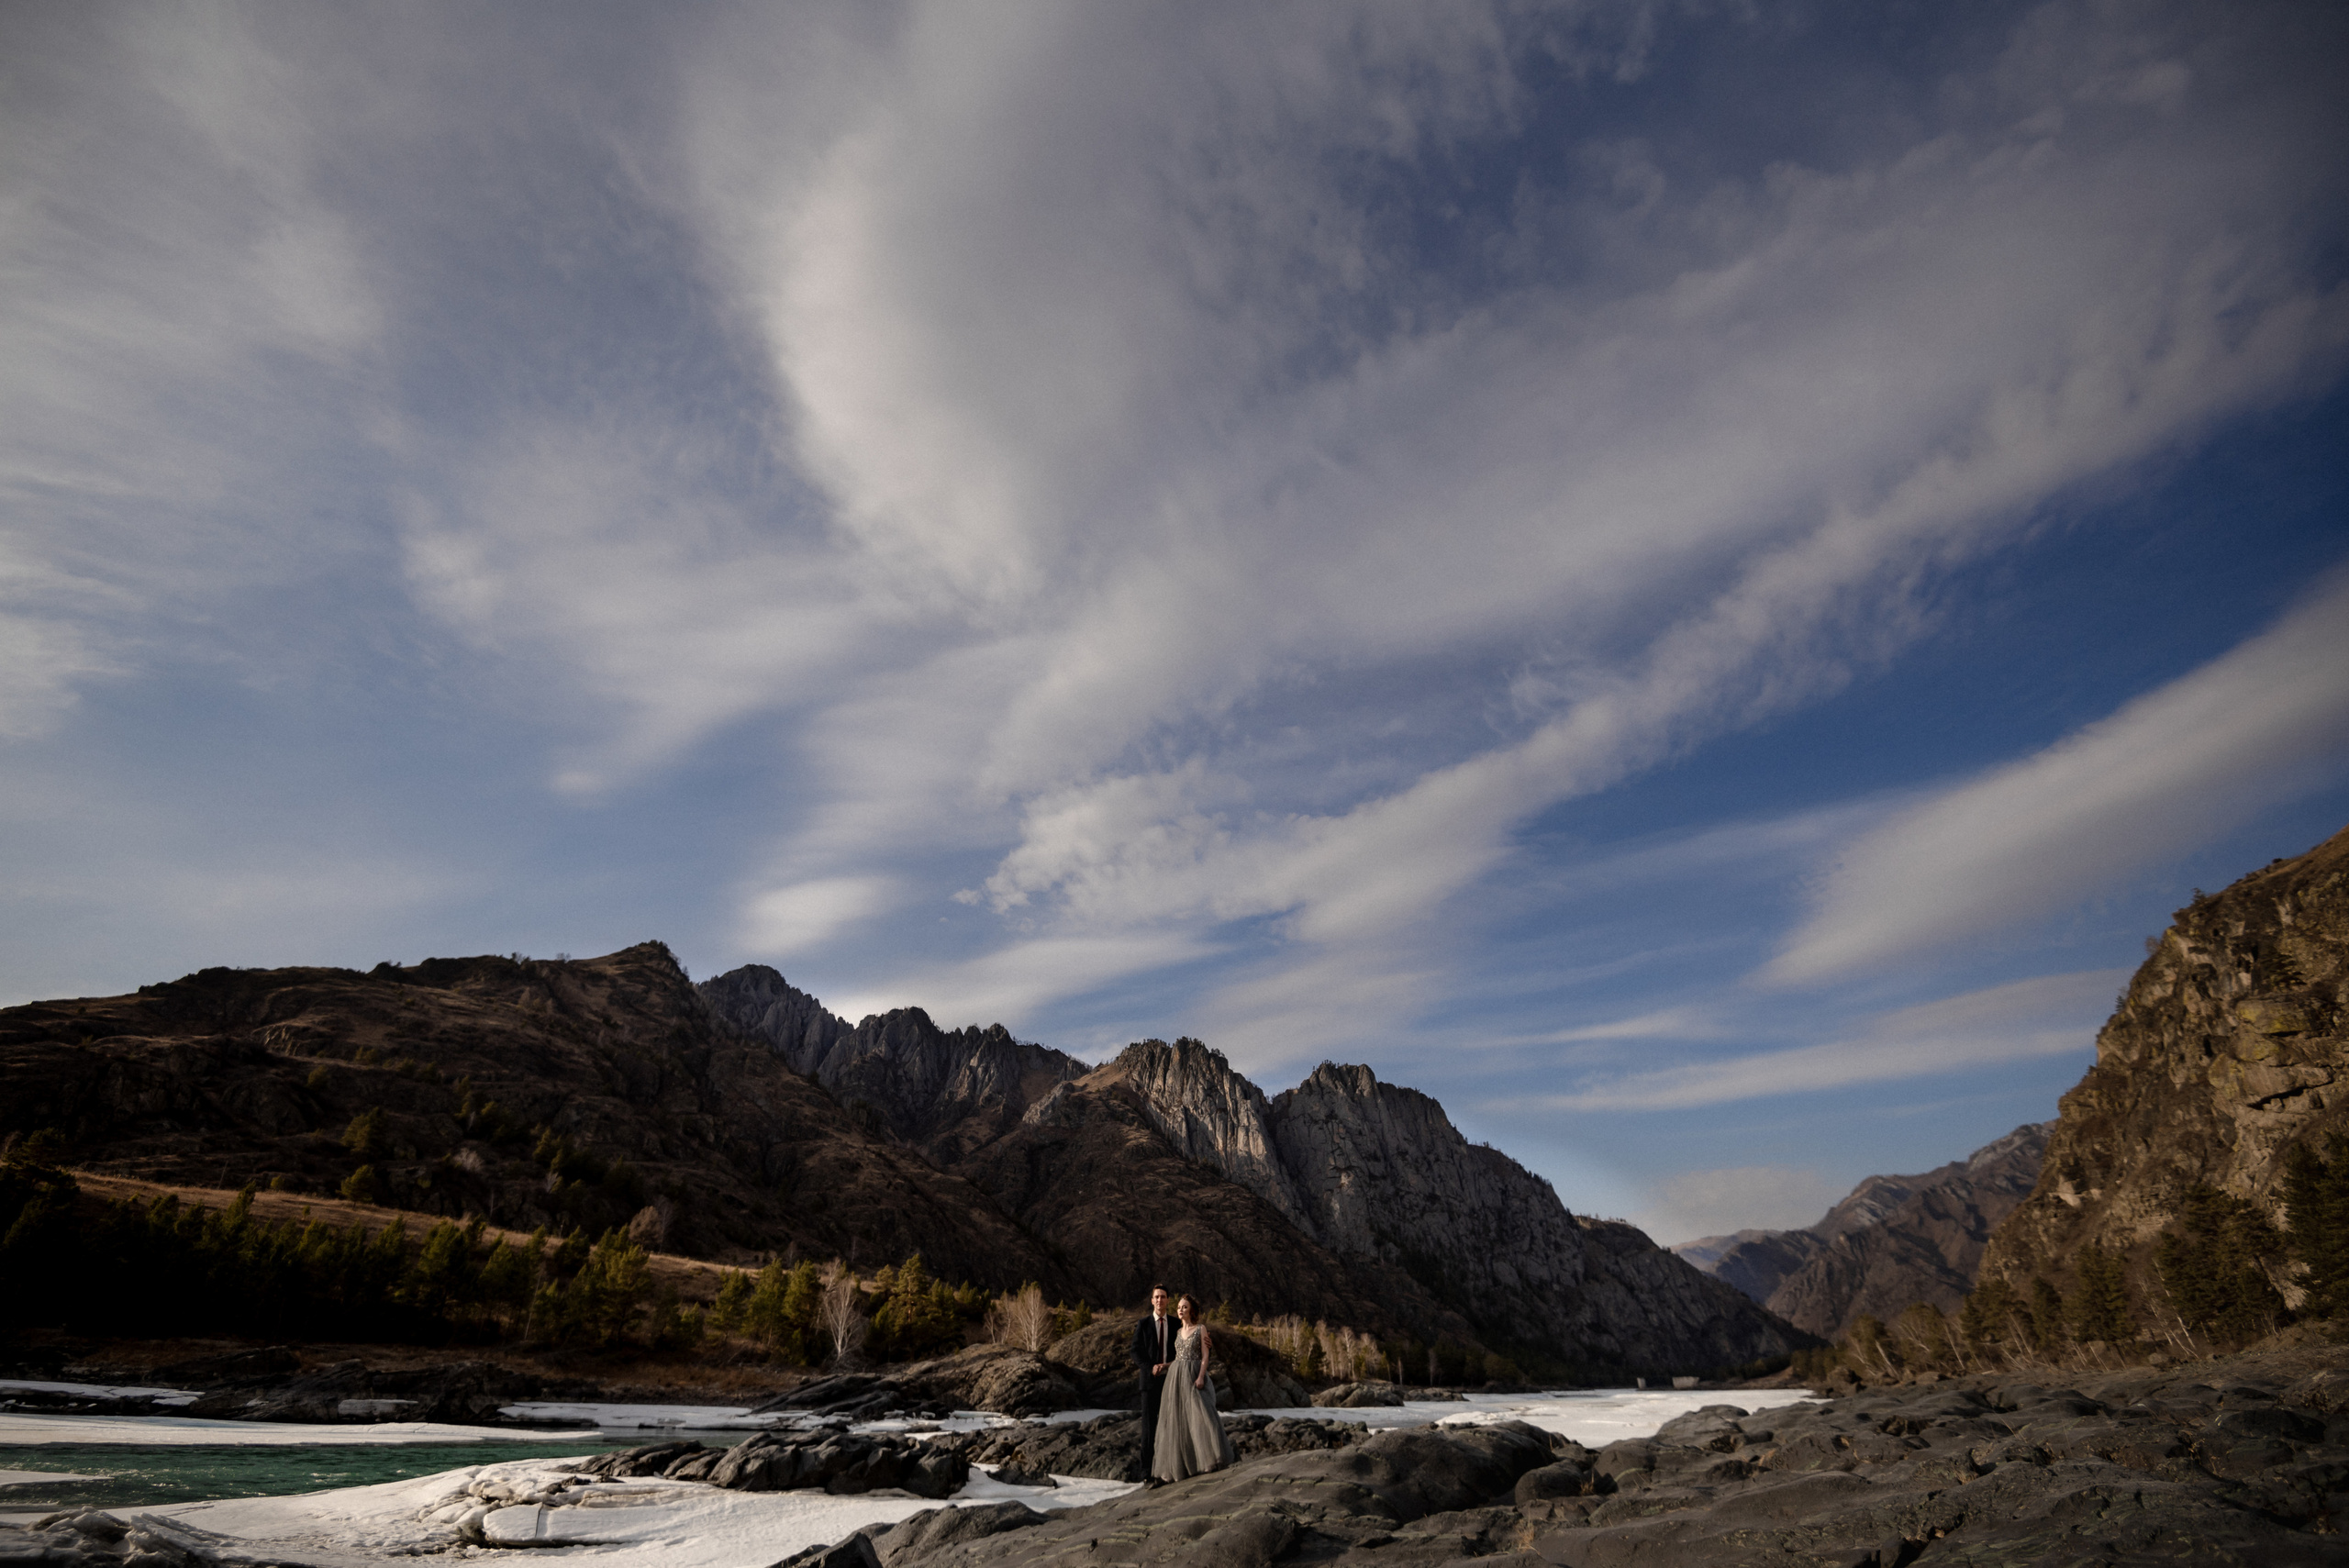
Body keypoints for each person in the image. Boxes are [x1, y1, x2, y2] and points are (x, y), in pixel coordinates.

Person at [1151, 1293, 1236, 1483]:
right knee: (1178, 1420)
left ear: (1192, 1311)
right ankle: (1181, 1468)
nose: (1181, 1310)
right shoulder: (1178, 1332)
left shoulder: (1201, 1329)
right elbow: (1179, 1358)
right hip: (1176, 1377)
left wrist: (1200, 1377)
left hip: (1194, 1374)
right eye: (1179, 1307)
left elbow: (1205, 1356)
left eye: (1185, 1307)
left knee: (1203, 1415)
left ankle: (1210, 1460)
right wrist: (1164, 1366)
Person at [1130, 1284, 1177, 1483]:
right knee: (1149, 1429)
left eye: (1163, 1297)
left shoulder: (1175, 1324)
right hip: (1149, 1382)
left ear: (1168, 1300)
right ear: (1152, 1300)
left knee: (1171, 1425)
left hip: (1171, 1381)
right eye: (1156, 1297)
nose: (1160, 1300)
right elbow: (1135, 1351)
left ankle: (1169, 1468)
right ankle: (1146, 1472)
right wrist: (1151, 1367)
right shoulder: (1144, 1324)